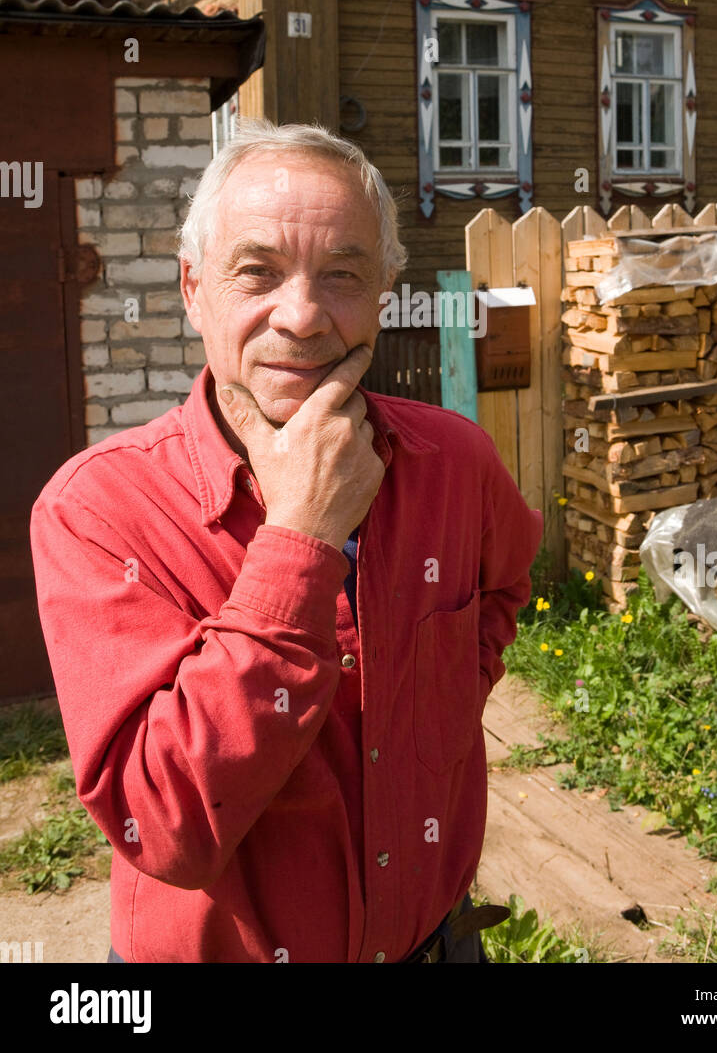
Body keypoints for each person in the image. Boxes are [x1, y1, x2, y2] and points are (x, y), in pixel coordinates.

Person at [30, 119, 545, 963]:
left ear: (383, 292)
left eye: (342, 275)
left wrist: (441, 703)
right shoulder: (96, 512)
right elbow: (165, 828)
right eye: (257, 273)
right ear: (194, 289)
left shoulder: (454, 461)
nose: (302, 317)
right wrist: (301, 536)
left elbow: (504, 587)